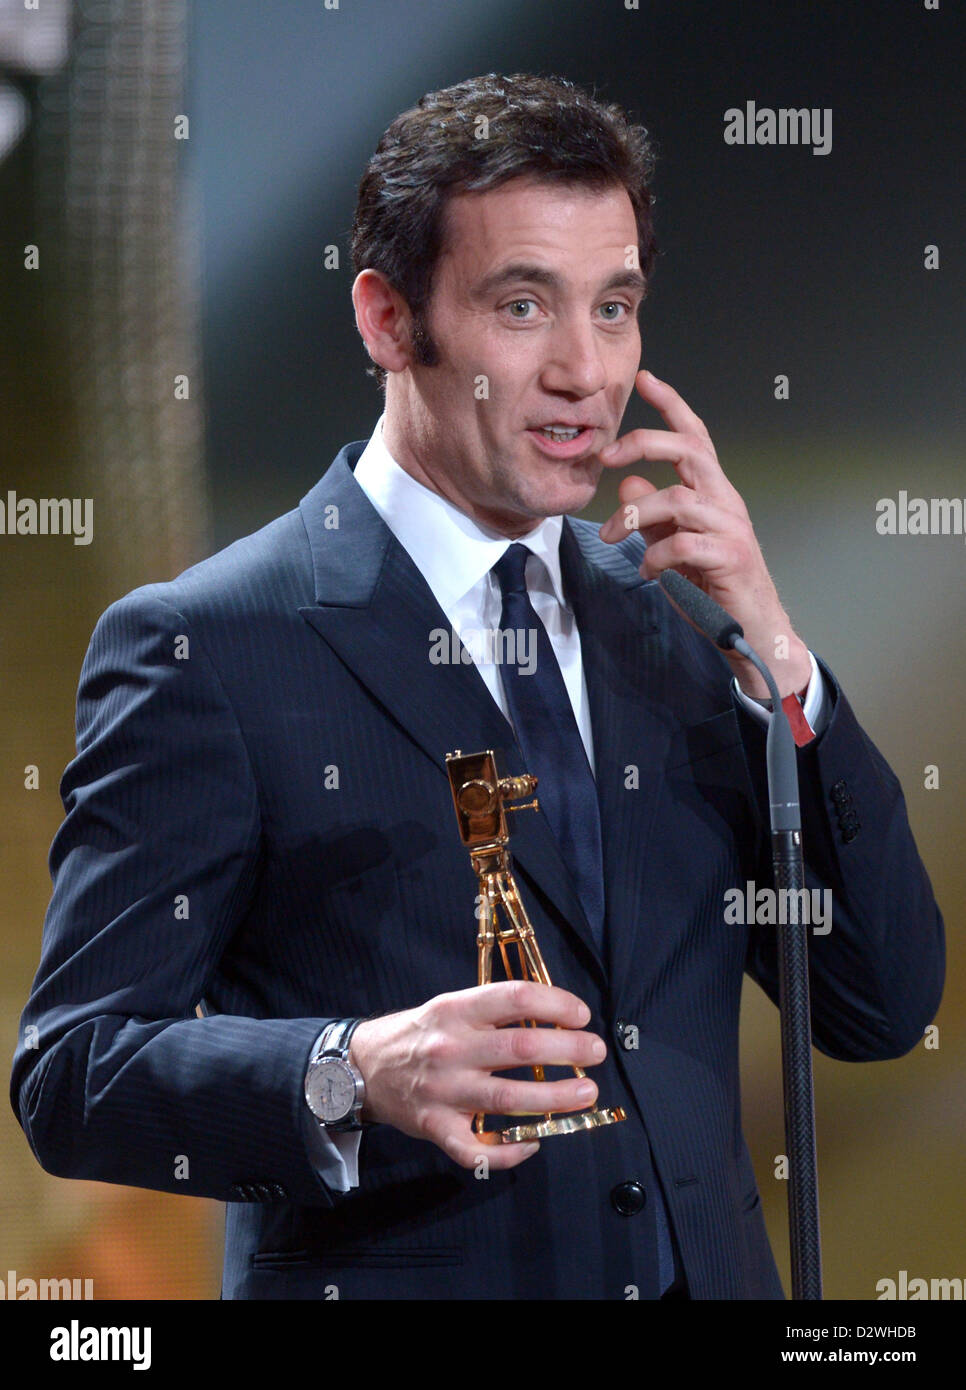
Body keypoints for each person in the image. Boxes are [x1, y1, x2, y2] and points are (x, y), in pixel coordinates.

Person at [11, 73, 944, 1301]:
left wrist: (784, 660)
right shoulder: (208, 648)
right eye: (523, 305)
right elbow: (74, 1075)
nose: (583, 369)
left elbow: (879, 1004)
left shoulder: (666, 626)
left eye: (615, 308)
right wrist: (350, 1069)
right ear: (389, 321)